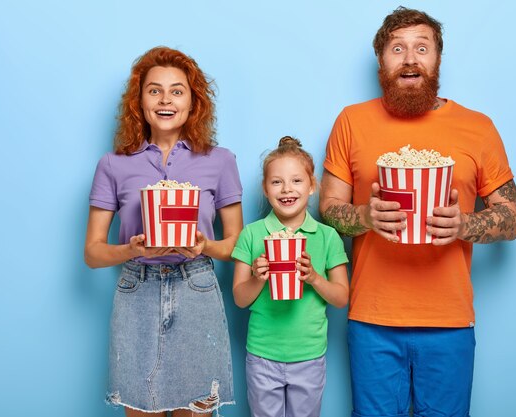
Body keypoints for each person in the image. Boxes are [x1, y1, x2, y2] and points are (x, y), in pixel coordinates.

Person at [319, 7, 516, 417]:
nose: (410, 58)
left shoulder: (477, 127)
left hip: (449, 321)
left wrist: (466, 224)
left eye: (422, 48)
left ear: (437, 59)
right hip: (372, 319)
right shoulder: (352, 122)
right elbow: (327, 209)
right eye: (398, 48)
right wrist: (364, 217)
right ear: (382, 61)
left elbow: (512, 216)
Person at [84, 46, 243, 417]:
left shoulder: (220, 161)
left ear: (193, 102)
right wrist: (131, 250)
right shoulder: (113, 165)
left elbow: (237, 243)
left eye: (177, 90)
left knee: (196, 409)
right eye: (154, 90)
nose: (166, 99)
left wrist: (206, 245)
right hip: (136, 290)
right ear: (139, 101)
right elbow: (92, 252)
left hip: (197, 287)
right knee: (141, 409)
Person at [232, 136, 349, 417]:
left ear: (312, 186)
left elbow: (342, 297)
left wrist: (314, 278)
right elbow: (239, 298)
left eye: (297, 181)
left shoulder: (327, 236)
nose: (287, 189)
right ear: (265, 188)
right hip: (262, 355)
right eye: (276, 182)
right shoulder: (252, 234)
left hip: (309, 355)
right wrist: (258, 278)